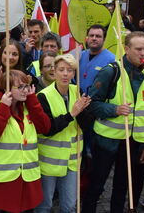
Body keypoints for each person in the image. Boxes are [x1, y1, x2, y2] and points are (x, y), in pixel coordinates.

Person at [82, 31, 144, 213]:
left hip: (132, 142)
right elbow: (91, 104)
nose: (143, 53)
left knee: (122, 187)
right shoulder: (111, 71)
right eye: (138, 49)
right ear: (126, 49)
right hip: (107, 141)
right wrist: (113, 110)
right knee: (97, 185)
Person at [0, 69, 50, 213]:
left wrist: (33, 101)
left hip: (25, 177)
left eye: (26, 86)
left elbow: (45, 127)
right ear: (6, 88)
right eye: (20, 87)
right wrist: (3, 107)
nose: (25, 90)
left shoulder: (29, 105)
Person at [36, 54, 91, 213]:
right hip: (49, 162)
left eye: (70, 70)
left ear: (74, 73)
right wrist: (71, 114)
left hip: (72, 160)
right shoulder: (43, 96)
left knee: (69, 206)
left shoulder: (77, 90)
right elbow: (47, 129)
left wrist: (81, 112)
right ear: (54, 71)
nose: (65, 74)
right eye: (61, 70)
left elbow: (87, 125)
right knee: (44, 206)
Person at [79, 25, 116, 95]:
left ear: (104, 39)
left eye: (98, 36)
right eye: (91, 35)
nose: (94, 38)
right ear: (87, 38)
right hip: (78, 101)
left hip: (98, 102)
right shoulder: (79, 56)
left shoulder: (112, 60)